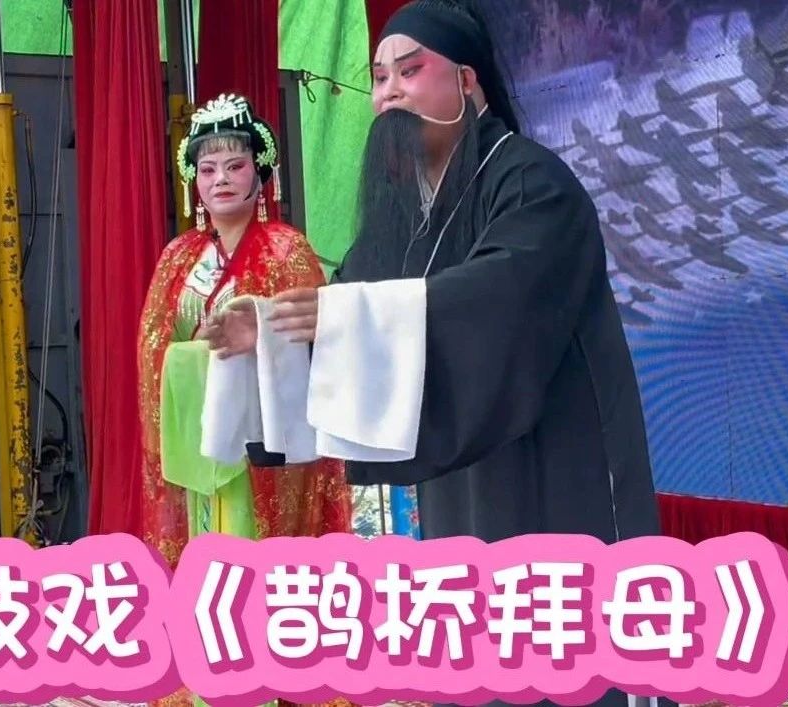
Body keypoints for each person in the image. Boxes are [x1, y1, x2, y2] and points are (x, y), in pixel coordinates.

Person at [204, 3, 670, 705]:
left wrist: (347, 316)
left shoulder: (533, 182)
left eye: (410, 70)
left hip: (554, 450)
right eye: (379, 77)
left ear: (467, 82)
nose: (389, 91)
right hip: (461, 463)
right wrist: (269, 332)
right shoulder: (406, 212)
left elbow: (501, 292)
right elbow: (350, 303)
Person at [136, 92, 352, 566]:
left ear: (259, 172)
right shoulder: (177, 257)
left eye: (235, 166)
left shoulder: (287, 250)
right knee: (205, 558)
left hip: (262, 439)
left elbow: (317, 343)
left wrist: (256, 342)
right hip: (196, 438)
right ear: (194, 181)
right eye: (208, 169)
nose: (221, 179)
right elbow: (152, 346)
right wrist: (192, 358)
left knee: (257, 557)